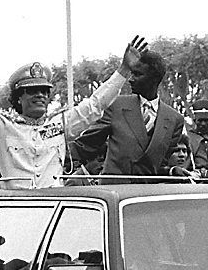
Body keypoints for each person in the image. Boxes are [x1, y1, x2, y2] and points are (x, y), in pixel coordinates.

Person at [0, 37, 145, 188]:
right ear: (18, 99)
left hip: (55, 211)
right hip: (16, 211)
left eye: (44, 91)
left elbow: (95, 104)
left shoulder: (61, 124)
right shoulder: (2, 126)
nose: (40, 95)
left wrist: (123, 70)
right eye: (32, 92)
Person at [71, 49, 186, 177]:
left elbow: (158, 166)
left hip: (147, 194)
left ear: (154, 79)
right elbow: (86, 145)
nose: (131, 79)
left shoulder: (174, 120)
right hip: (114, 192)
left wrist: (171, 171)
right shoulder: (115, 106)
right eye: (131, 74)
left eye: (137, 74)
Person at [186, 100, 208, 173]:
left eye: (206, 120)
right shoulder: (188, 137)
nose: (203, 124)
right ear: (194, 121)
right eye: (200, 120)